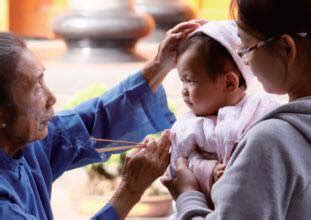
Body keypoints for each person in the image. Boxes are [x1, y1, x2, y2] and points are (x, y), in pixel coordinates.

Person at [0, 21, 202, 219]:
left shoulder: (27, 146)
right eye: (36, 87)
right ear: (2, 113)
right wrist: (130, 189)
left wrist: (160, 64)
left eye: (43, 80)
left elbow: (88, 126)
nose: (51, 97)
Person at [161, 1, 311, 219]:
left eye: (247, 46)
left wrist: (188, 195)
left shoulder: (270, 143)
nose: (244, 60)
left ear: (286, 48)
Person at [167, 21, 280, 211]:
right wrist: (207, 171)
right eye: (182, 81)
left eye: (190, 81)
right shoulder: (188, 125)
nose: (184, 91)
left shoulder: (260, 111)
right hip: (197, 209)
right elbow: (178, 167)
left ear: (229, 83)